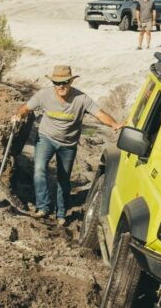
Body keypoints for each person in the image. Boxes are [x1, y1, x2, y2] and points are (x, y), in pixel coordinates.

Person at [11, 65, 123, 226]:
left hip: (68, 145)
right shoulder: (44, 95)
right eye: (57, 83)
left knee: (63, 179)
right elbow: (25, 108)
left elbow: (99, 113)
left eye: (64, 82)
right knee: (39, 170)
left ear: (71, 81)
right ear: (53, 83)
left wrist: (114, 124)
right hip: (46, 138)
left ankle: (61, 214)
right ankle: (42, 207)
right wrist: (17, 115)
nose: (61, 86)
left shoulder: (81, 98)